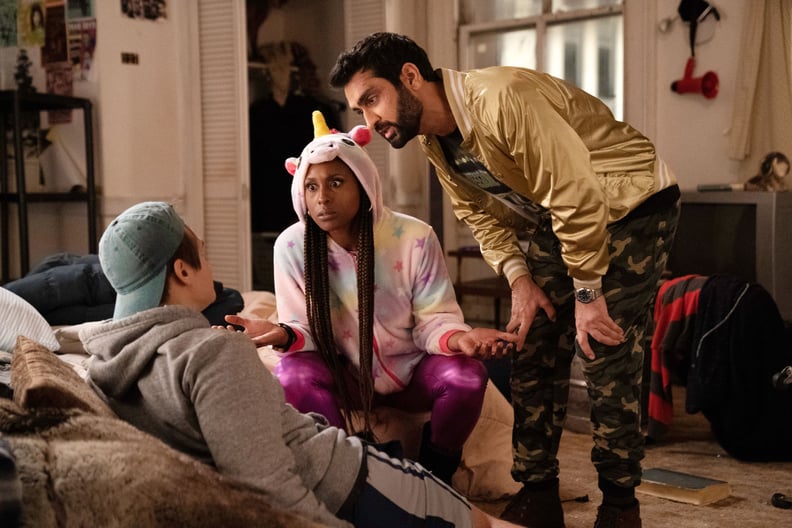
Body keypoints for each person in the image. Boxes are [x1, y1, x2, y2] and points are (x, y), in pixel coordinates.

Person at [329, 32, 681, 528]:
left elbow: (575, 192)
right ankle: (537, 492)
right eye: (358, 109)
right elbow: (479, 213)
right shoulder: (435, 141)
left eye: (372, 99)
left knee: (603, 348)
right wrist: (520, 279)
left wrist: (587, 293)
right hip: (557, 217)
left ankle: (621, 504)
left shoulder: (501, 99)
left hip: (630, 205)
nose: (370, 121)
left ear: (410, 76)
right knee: (532, 341)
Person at [79, 200, 525, 528]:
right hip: (353, 482)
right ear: (181, 271)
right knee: (486, 526)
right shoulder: (215, 354)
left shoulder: (106, 367)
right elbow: (272, 490)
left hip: (348, 457)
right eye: (204, 252)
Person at [222, 111, 517, 484]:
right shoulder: (292, 246)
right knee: (293, 372)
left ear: (363, 184)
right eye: (311, 187)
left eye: (336, 182)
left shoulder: (414, 237)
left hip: (412, 377)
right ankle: (340, 475)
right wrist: (281, 334)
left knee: (468, 378)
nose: (322, 198)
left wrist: (462, 338)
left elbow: (435, 318)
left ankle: (435, 475)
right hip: (342, 377)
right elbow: (303, 328)